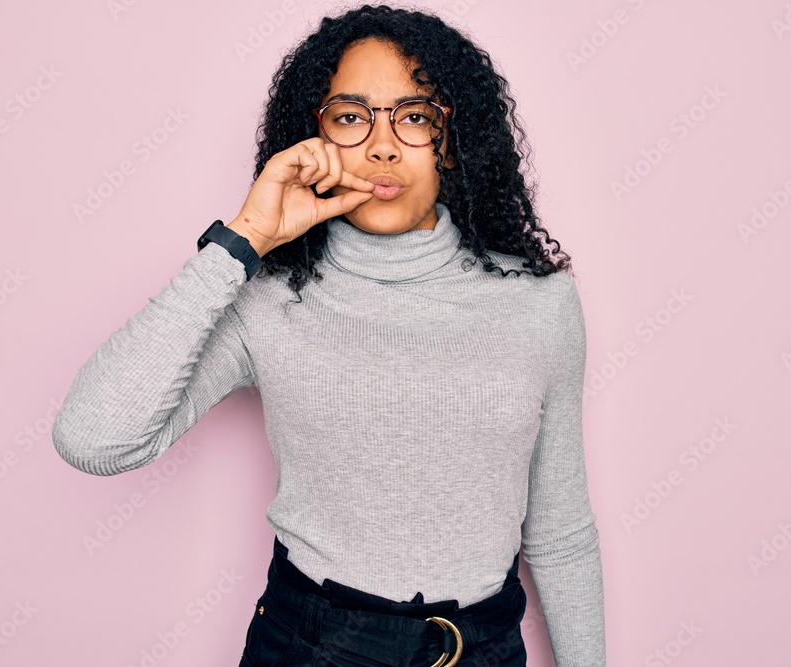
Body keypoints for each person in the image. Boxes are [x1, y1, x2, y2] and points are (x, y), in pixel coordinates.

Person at [52, 4, 605, 666]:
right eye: (351, 116)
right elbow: (93, 439)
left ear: (451, 140)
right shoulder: (268, 298)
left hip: (483, 647)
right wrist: (245, 241)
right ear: (311, 137)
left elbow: (560, 531)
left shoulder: (539, 302)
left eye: (415, 115)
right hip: (311, 643)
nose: (381, 145)